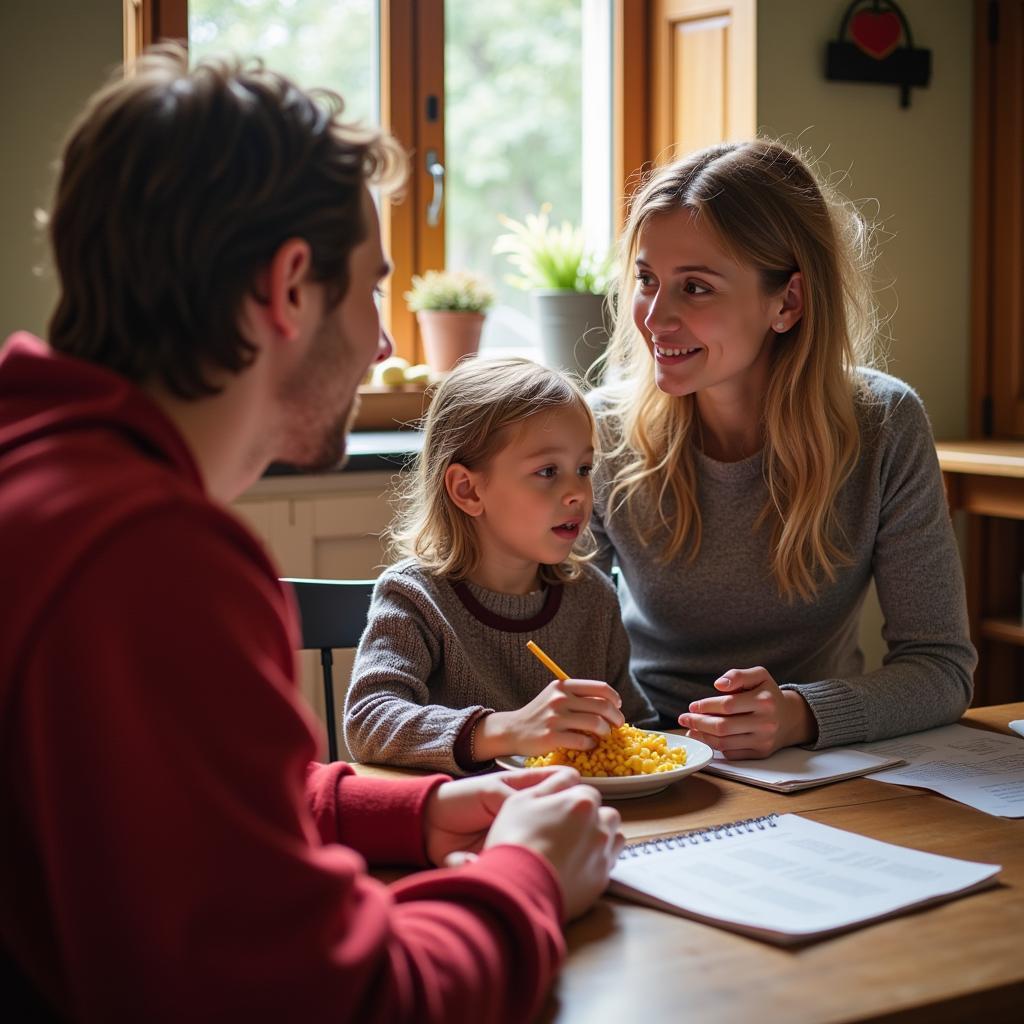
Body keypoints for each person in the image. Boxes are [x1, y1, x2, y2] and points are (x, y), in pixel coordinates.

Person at [0, 47, 623, 1022]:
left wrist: (408, 809)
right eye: (372, 286)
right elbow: (342, 1001)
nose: (382, 340)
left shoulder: (43, 478)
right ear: (290, 287)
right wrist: (526, 875)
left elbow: (176, 814)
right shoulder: (144, 555)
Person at [589, 139, 976, 760]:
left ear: (787, 302)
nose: (656, 317)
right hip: (642, 755)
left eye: (696, 288)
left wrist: (798, 715)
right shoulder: (599, 433)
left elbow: (941, 668)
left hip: (815, 759)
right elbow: (556, 642)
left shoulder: (884, 425)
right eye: (647, 280)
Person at [344, 356, 657, 774]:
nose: (578, 493)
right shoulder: (415, 597)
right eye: (548, 471)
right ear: (468, 490)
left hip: (574, 819)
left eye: (583, 468)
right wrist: (508, 730)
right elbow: (369, 722)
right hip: (462, 826)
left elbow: (636, 726)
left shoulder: (592, 597)